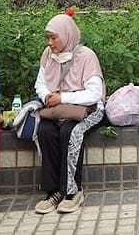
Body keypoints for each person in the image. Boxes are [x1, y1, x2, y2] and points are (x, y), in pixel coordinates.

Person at [33, 13, 105, 215]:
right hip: (57, 110)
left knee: (70, 133)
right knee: (45, 131)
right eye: (48, 37)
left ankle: (73, 191)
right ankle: (53, 192)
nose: (50, 43)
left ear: (67, 35)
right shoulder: (48, 55)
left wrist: (62, 98)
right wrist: (47, 95)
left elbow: (94, 94)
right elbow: (40, 83)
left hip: (87, 111)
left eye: (54, 38)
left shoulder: (86, 56)